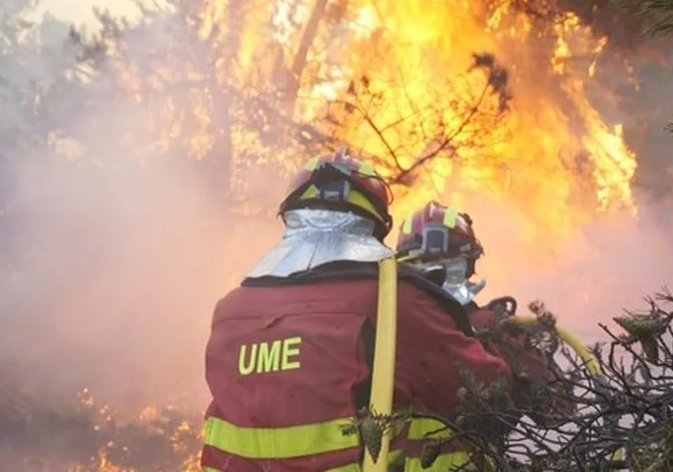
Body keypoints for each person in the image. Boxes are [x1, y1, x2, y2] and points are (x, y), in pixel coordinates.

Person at [200, 149, 513, 472]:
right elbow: (487, 390)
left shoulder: (229, 311)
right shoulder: (395, 299)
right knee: (447, 428)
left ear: (290, 215)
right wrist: (506, 346)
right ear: (376, 224)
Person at [395, 200, 576, 432]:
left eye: (447, 268)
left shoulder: (382, 323)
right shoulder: (496, 330)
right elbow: (559, 409)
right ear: (469, 265)